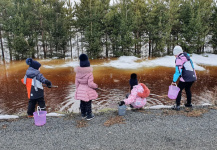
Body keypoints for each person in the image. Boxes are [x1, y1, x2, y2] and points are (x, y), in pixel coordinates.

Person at [172, 45, 197, 111]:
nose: (174, 56)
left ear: (176, 53)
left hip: (185, 78)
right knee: (187, 89)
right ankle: (189, 103)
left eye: (174, 54)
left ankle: (177, 106)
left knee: (178, 90)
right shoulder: (188, 57)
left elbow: (178, 72)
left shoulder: (179, 59)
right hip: (193, 77)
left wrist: (174, 81)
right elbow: (193, 67)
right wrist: (194, 76)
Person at [74, 54, 98, 120]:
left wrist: (78, 89)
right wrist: (95, 86)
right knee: (88, 103)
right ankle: (89, 115)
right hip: (87, 90)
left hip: (80, 89)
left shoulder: (77, 73)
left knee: (82, 103)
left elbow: (76, 83)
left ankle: (83, 114)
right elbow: (90, 84)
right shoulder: (89, 73)